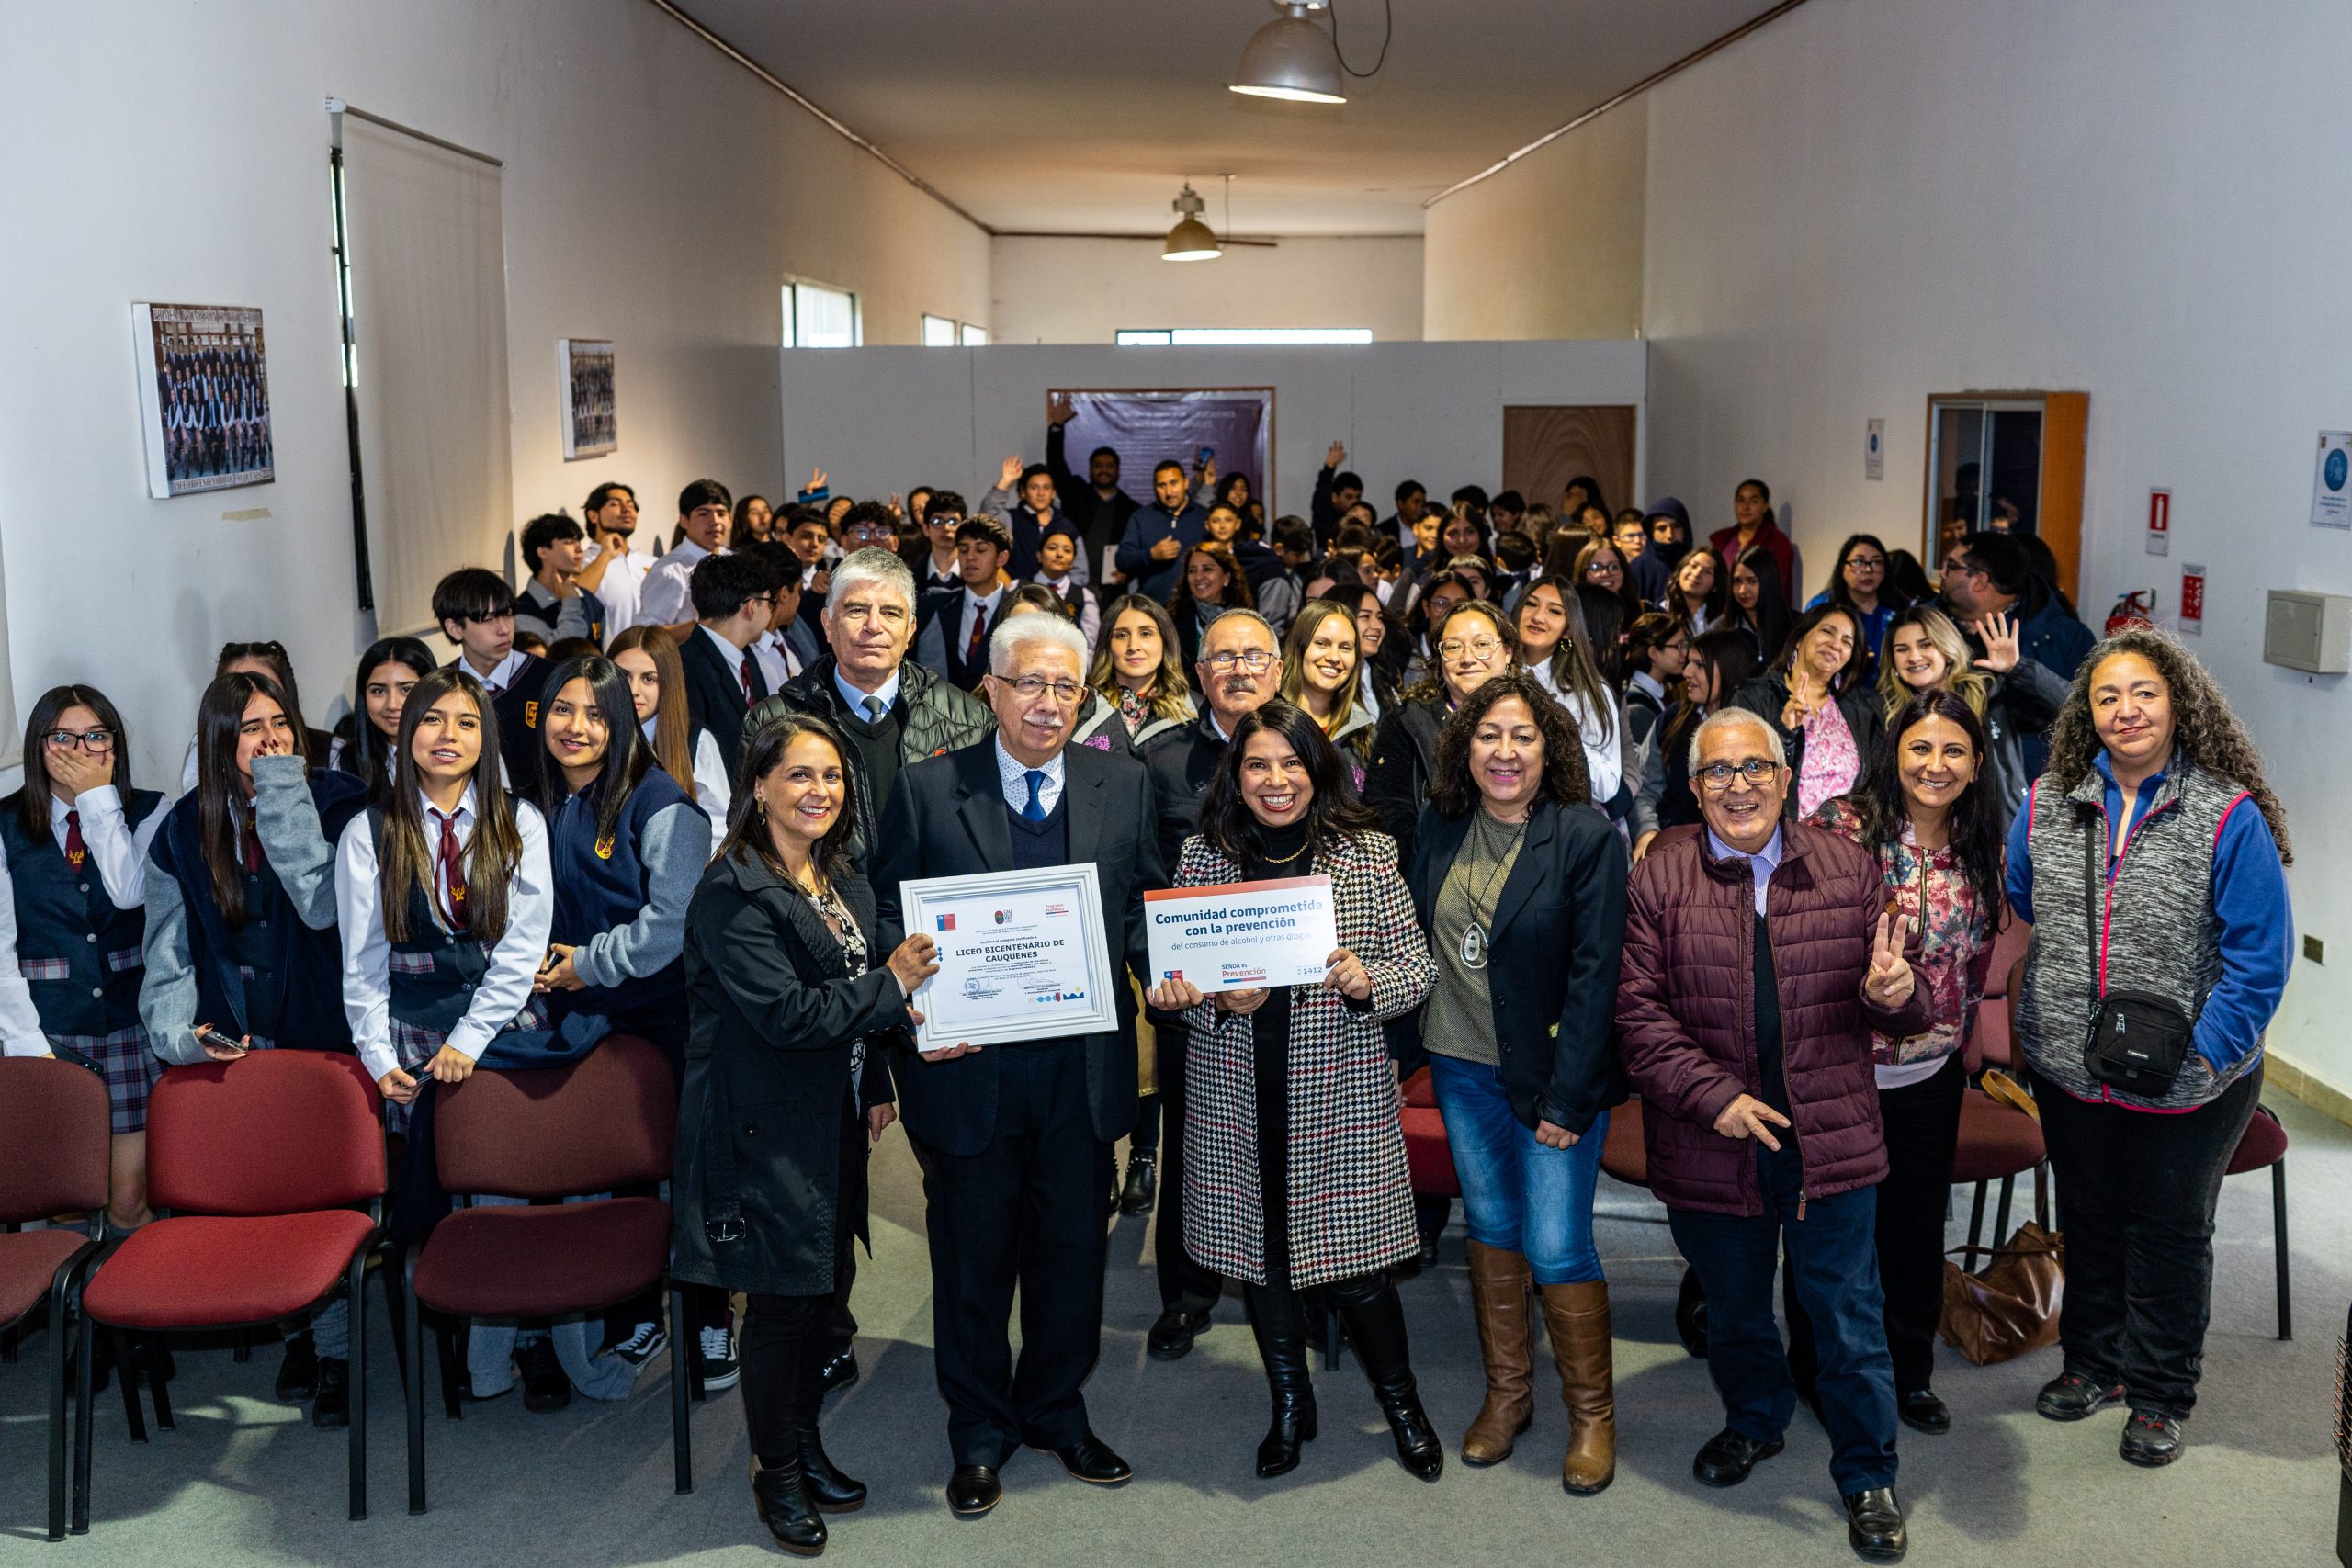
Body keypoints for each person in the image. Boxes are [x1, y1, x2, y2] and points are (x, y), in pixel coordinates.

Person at [1615, 706, 1928, 1561]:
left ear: (1789, 779)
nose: (1739, 784)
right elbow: (1636, 1017)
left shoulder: (1849, 867)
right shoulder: (1659, 875)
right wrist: (1711, 1096)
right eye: (1718, 771)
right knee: (1739, 1309)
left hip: (1831, 1139)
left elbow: (1906, 1005)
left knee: (1849, 1315)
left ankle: (1868, 1472)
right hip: (1713, 1138)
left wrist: (1896, 992)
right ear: (1692, 786)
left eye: (1756, 767)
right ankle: (1756, 1420)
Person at [872, 612, 1160, 1519]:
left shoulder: (1125, 781)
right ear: (989, 691)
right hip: (967, 1071)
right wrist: (914, 1007)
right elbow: (886, 918)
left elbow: (1143, 908)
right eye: (1028, 684)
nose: (1046, 703)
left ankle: (1056, 1410)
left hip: (1081, 1070)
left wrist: (1183, 972)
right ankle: (979, 1430)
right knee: (972, 1258)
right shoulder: (925, 790)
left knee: (1073, 1253)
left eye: (1065, 687)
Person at [2007, 628, 2291, 1468]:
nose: (2126, 710)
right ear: (2084, 713)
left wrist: (2204, 1055)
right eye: (2106, 696)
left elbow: (2259, 960)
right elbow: (2027, 897)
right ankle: (2095, 1364)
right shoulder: (2046, 801)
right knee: (2089, 1215)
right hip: (2069, 1064)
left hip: (2193, 1076)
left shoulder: (2226, 813)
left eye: (2144, 693)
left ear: (2178, 703)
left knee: (2168, 1229)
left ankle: (2162, 1392)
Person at [1145, 701, 1440, 1482]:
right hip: (1235, 1097)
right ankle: (1288, 1402)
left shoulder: (1368, 852)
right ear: (1234, 777)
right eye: (1256, 765)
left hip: (1338, 1097)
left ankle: (1402, 1404)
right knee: (1263, 1259)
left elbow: (1418, 971)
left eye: (1291, 763)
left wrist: (1364, 978)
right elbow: (1172, 980)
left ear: (1318, 768)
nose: (1275, 781)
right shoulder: (1207, 857)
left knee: (1359, 1270)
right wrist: (1202, 998)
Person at [671, 714, 933, 1555]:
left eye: (832, 776)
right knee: (783, 1308)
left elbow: (854, 989)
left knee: (824, 1294)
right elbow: (787, 1014)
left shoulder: (837, 874)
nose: (820, 791)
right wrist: (894, 987)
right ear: (758, 786)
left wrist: (881, 1077)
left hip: (832, 1115)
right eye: (799, 776)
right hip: (762, 1126)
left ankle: (807, 1444)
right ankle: (773, 1470)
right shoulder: (732, 890)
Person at [334, 666, 615, 1411]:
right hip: (414, 1029)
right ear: (405, 734)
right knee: (448, 1194)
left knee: (514, 1178)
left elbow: (524, 949)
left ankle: (528, 1341)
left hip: (503, 1021)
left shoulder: (516, 819)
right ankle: (479, 1333)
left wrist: (471, 1037)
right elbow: (362, 963)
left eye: (464, 722)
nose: (447, 736)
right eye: (431, 720)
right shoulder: (370, 829)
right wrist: (379, 1058)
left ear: (485, 737)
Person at [1399, 671, 1626, 1491]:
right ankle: (1509, 1395)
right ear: (1466, 746)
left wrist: (1570, 1097)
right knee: (1490, 1225)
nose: (1505, 751)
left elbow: (1599, 977)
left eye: (1523, 736)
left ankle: (1592, 1416)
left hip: (1550, 1075)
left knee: (1558, 1244)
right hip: (1459, 1066)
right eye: (1489, 734)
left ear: (1549, 748)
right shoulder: (1440, 823)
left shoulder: (1585, 835)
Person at [143, 670, 369, 1424]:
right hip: (240, 1041)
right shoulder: (182, 828)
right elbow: (167, 954)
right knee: (266, 1205)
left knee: (322, 1196)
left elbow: (316, 901)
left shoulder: (340, 801)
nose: (271, 738)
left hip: (322, 1036)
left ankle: (335, 1349)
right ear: (217, 742)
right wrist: (181, 1035)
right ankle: (301, 1333)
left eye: (281, 723)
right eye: (250, 729)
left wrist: (281, 782)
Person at [1796, 690, 2007, 1436]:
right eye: (1921, 747)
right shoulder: (1840, 828)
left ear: (1976, 764)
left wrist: (1958, 1041)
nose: (1936, 764)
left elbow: (1980, 957)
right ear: (1893, 753)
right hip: (1839, 1068)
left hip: (1929, 1073)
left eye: (1954, 750)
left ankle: (1909, 1371)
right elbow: (1797, 938)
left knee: (1914, 1229)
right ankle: (1817, 1370)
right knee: (1831, 1232)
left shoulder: (1984, 842)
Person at [1137, 609, 1281, 1358]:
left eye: (1255, 655)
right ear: (1198, 675)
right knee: (1194, 1144)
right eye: (1222, 657)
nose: (1239, 668)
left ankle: (1296, 1291)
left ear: (1278, 670)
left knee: (1295, 1143)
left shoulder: (1309, 753)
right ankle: (1187, 1295)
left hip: (1299, 993)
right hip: (1195, 1000)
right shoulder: (1158, 763)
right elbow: (1142, 876)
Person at [0, 688, 169, 1236]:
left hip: (127, 1026)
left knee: (129, 1201)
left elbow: (129, 891)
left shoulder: (151, 810)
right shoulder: (6, 825)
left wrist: (98, 800)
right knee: (65, 1208)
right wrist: (31, 1053)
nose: (81, 749)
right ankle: (74, 1317)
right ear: (38, 747)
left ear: (115, 747)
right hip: (49, 1031)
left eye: (97, 736)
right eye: (64, 737)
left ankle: (138, 1316)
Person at [749, 548, 995, 872]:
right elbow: (750, 843)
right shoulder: (771, 721)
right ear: (828, 623)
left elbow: (988, 839)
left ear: (910, 630)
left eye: (891, 613)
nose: (873, 626)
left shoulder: (971, 721)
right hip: (819, 913)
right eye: (856, 610)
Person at [1877, 604, 2066, 832]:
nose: (1914, 656)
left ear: (1947, 648)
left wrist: (2017, 668)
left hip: (1997, 833)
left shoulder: (1989, 692)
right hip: (1920, 837)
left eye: (1926, 644)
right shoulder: (1887, 713)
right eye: (1902, 649)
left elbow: (2073, 705)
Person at [1365, 598, 1514, 866]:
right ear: (1439, 658)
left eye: (1482, 644)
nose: (1468, 658)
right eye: (1454, 647)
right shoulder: (1406, 723)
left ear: (1508, 653)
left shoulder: (1542, 719)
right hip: (1432, 874)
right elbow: (1387, 819)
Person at [1940, 529, 2097, 775]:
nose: (1941, 572)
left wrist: (2019, 670)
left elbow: (2087, 713)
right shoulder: (1927, 626)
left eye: (1951, 565)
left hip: (2033, 783)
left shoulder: (2067, 637)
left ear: (1980, 581)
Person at [1730, 604, 1883, 822]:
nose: (1835, 644)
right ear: (1800, 638)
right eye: (1827, 631)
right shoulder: (1753, 698)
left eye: (1846, 641)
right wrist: (1783, 730)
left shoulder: (1862, 708)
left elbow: (1875, 784)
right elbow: (1742, 776)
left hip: (1848, 843)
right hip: (1784, 839)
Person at [1512, 579, 1625, 820]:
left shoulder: (1588, 691)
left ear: (1568, 628)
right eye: (1531, 604)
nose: (1538, 617)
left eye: (1554, 611)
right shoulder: (1492, 674)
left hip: (1561, 820)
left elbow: (1607, 785)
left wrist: (1562, 736)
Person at [1637, 628, 1758, 851]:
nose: (1686, 672)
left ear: (1728, 670)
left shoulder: (1754, 731)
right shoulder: (1671, 720)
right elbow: (1646, 789)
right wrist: (1648, 832)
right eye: (1688, 663)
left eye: (1699, 666)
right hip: (1675, 846)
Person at [607, 624, 731, 824]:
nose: (633, 689)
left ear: (667, 682)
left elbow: (718, 828)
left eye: (648, 679)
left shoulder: (695, 742)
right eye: (623, 676)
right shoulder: (591, 736)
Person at [435, 567, 547, 785]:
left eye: (508, 615)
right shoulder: (441, 688)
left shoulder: (546, 676)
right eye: (489, 620)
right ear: (455, 628)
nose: (504, 629)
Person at [178, 641, 331, 792]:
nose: (255, 694)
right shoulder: (192, 807)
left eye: (279, 723)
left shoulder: (333, 785)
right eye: (239, 688)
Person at [677, 551, 778, 773]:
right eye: (770, 602)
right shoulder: (686, 667)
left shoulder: (746, 659)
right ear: (751, 607)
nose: (772, 611)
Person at [1001, 588, 1126, 757]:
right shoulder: (976, 711)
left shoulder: (1099, 713)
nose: (1034, 642)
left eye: (1044, 629)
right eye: (1021, 632)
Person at [1279, 600, 1376, 785]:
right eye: (1322, 643)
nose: (1333, 657)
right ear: (1299, 647)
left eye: (1346, 648)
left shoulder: (1365, 733)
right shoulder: (1267, 722)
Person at [916, 515, 1015, 693]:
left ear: (1002, 557)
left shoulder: (1016, 611)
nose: (970, 557)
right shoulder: (935, 604)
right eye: (963, 550)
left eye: (981, 550)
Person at [1045, 393, 1138, 579]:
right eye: (1098, 466)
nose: (1104, 470)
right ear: (1090, 470)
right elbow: (1056, 467)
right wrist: (1056, 427)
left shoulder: (1131, 509)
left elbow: (1138, 551)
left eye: (1109, 466)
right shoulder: (1076, 494)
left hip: (1113, 587)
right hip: (1073, 581)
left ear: (1118, 471)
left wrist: (1130, 573)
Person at [1089, 594, 1194, 755]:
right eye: (1122, 635)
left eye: (1145, 633)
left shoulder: (1194, 711)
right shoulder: (1084, 706)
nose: (1133, 646)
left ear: (1165, 641)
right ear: (1107, 644)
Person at [332, 637, 436, 798]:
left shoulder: (451, 750)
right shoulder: (348, 761)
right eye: (379, 691)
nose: (392, 704)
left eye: (406, 690)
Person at [638, 479, 734, 629]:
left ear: (730, 520)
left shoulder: (735, 562)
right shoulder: (669, 570)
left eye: (721, 513)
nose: (715, 521)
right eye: (704, 514)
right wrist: (705, 628)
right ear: (684, 521)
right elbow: (647, 633)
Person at [982, 456, 1087, 585]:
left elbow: (1080, 571)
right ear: (1023, 493)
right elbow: (986, 518)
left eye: (1046, 487)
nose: (1041, 493)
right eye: (1034, 487)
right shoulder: (1011, 519)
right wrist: (1006, 481)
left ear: (1053, 493)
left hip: (1057, 599)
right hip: (1016, 594)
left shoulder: (1066, 525)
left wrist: (1066, 595)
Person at [1805, 535, 1896, 682]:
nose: (1868, 569)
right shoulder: (1823, 605)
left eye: (1876, 562)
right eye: (1859, 562)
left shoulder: (1894, 611)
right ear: (1843, 568)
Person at [1115, 459, 1210, 603]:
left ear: (1186, 483)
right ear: (1154, 488)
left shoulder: (1204, 517)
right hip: (1153, 608)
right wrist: (1151, 555)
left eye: (1174, 483)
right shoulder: (1142, 517)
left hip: (1196, 607)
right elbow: (1122, 560)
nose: (1169, 492)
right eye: (1162, 485)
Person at [574, 481, 654, 639]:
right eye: (615, 504)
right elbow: (576, 599)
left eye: (630, 504)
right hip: (607, 660)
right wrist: (605, 555)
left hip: (653, 659)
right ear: (593, 516)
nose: (626, 510)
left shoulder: (652, 563)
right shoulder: (582, 562)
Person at [1168, 541, 1257, 682]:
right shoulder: (1172, 620)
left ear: (1226, 577)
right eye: (1192, 570)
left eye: (1207, 569)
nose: (1198, 577)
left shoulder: (1247, 622)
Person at [514, 512, 604, 648]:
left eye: (578, 541)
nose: (579, 548)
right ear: (543, 552)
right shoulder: (522, 611)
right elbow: (558, 654)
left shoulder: (590, 600)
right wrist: (570, 603)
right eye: (568, 542)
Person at [1708, 478, 1797, 604]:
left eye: (1754, 501)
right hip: (1722, 614)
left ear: (1765, 506)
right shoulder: (1722, 540)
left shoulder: (1777, 542)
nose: (1746, 507)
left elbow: (1774, 587)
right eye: (1740, 500)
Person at [1031, 529, 1100, 654]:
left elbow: (1090, 647)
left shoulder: (1085, 597)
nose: (1059, 554)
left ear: (1073, 561)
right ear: (1039, 556)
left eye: (1067, 550)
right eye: (1052, 548)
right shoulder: (1017, 587)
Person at [1723, 547, 1791, 668]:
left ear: (1768, 581)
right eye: (1737, 581)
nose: (1742, 591)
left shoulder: (1793, 624)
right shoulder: (1723, 627)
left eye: (1752, 581)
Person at [910, 487, 967, 594]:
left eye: (953, 521)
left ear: (963, 528)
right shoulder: (910, 578)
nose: (946, 528)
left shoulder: (976, 574)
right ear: (926, 529)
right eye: (937, 521)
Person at [1309, 443, 1363, 549]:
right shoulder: (1326, 519)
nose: (1354, 502)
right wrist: (1329, 467)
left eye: (1357, 497)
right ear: (1334, 497)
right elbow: (1321, 499)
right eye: (1348, 497)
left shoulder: (1360, 520)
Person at [1667, 545, 1728, 632]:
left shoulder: (1722, 621)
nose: (1696, 574)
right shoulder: (1662, 610)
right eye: (1693, 566)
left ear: (1716, 585)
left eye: (1707, 572)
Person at [1612, 511, 1669, 604]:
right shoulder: (1614, 570)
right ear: (1617, 540)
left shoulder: (1657, 569)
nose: (1637, 541)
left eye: (1642, 535)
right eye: (1630, 536)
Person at [1646, 497, 1694, 569]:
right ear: (1651, 532)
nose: (1670, 535)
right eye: (1662, 529)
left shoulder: (1697, 569)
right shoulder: (1638, 570)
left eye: (1677, 527)